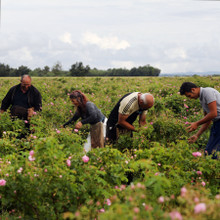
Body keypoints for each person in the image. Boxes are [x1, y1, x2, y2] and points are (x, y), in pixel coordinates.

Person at [179, 82, 220, 159]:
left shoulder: (207, 92)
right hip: (217, 123)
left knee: (212, 153)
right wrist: (197, 135)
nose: (190, 98)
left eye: (189, 96)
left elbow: (213, 113)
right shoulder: (202, 98)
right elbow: (208, 119)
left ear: (193, 89)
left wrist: (197, 123)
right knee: (210, 151)